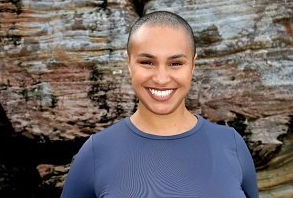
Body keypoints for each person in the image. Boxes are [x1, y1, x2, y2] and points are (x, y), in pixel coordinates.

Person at [60, 11, 259, 198]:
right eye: (147, 62)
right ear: (129, 64)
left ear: (193, 65)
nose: (161, 79)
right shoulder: (97, 151)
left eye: (175, 63)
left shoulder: (231, 144)